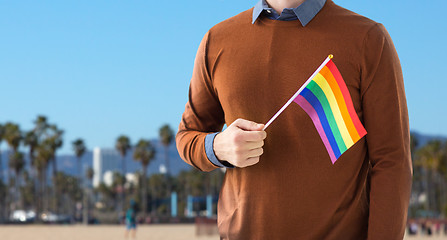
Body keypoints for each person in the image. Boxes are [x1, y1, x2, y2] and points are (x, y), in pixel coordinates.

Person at [176, 0, 412, 238]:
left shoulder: (368, 39)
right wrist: (218, 148)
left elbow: (392, 161)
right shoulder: (216, 40)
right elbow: (187, 136)